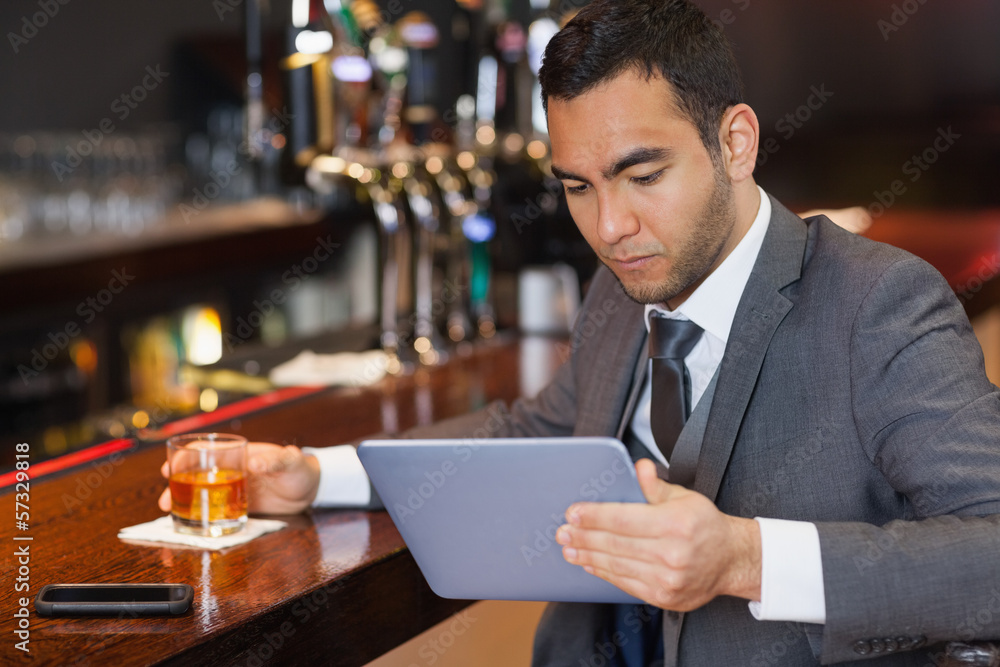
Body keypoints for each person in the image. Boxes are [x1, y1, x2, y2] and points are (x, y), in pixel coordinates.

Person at [161, 1, 1000, 664]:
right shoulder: (618, 288)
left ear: (735, 142)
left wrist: (744, 558)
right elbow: (544, 430)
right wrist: (318, 475)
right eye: (578, 187)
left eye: (643, 174)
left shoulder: (880, 301)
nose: (611, 225)